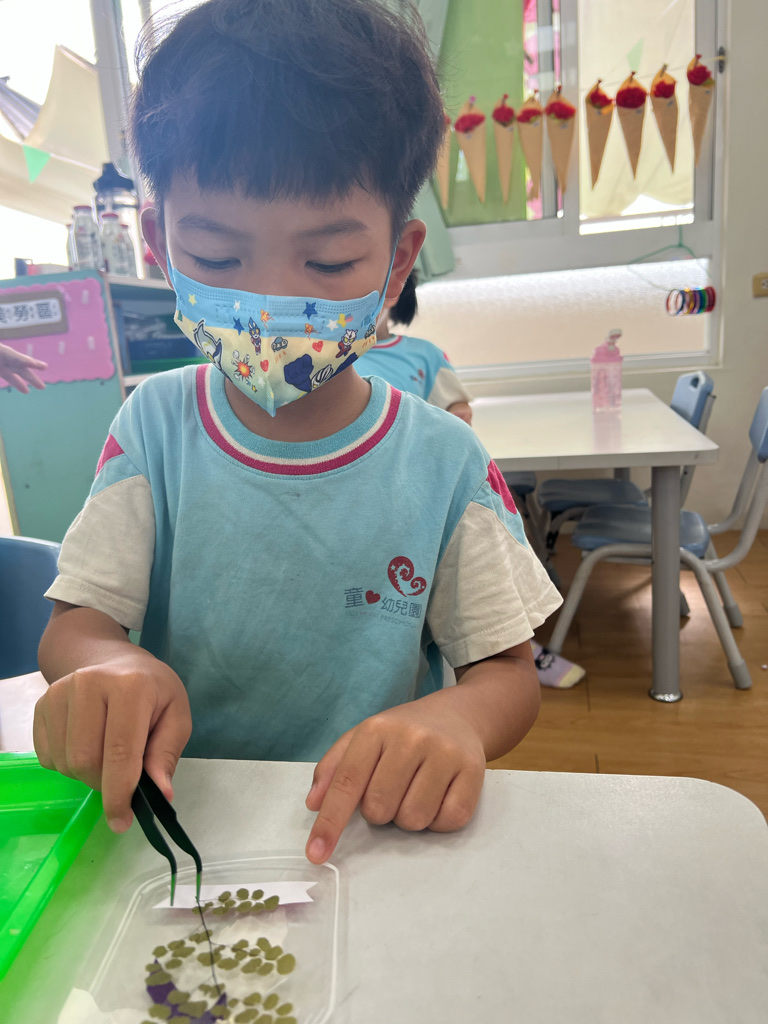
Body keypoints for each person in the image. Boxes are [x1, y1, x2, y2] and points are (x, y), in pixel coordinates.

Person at [34, 0, 561, 866]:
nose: (270, 302)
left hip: (367, 840)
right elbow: (75, 626)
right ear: (159, 243)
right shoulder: (153, 427)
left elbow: (506, 672)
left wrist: (457, 719)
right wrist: (109, 667)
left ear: (397, 262)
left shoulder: (443, 461)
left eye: (327, 262)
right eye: (217, 257)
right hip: (180, 837)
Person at [355, 271, 473, 424]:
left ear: (391, 295)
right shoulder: (327, 355)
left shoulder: (426, 354)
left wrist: (459, 411)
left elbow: (455, 406)